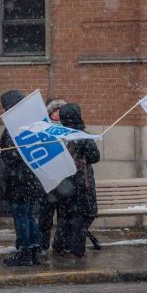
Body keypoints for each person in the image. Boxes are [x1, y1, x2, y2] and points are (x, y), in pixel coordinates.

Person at [0, 90, 45, 267]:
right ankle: (33, 249)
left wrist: (1, 154)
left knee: (21, 216)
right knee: (28, 214)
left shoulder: (14, 126)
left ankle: (25, 251)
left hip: (19, 180)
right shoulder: (31, 123)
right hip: (32, 178)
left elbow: (11, 154)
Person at [52, 103, 100, 258]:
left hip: (64, 185)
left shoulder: (59, 135)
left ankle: (60, 246)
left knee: (65, 216)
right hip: (81, 185)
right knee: (82, 217)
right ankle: (77, 250)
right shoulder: (83, 136)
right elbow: (95, 157)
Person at [38, 98, 67, 251]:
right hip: (48, 177)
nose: (58, 114)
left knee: (62, 214)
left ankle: (59, 243)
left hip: (64, 179)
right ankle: (42, 242)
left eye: (60, 110)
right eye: (55, 110)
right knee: (45, 213)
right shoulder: (44, 128)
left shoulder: (68, 128)